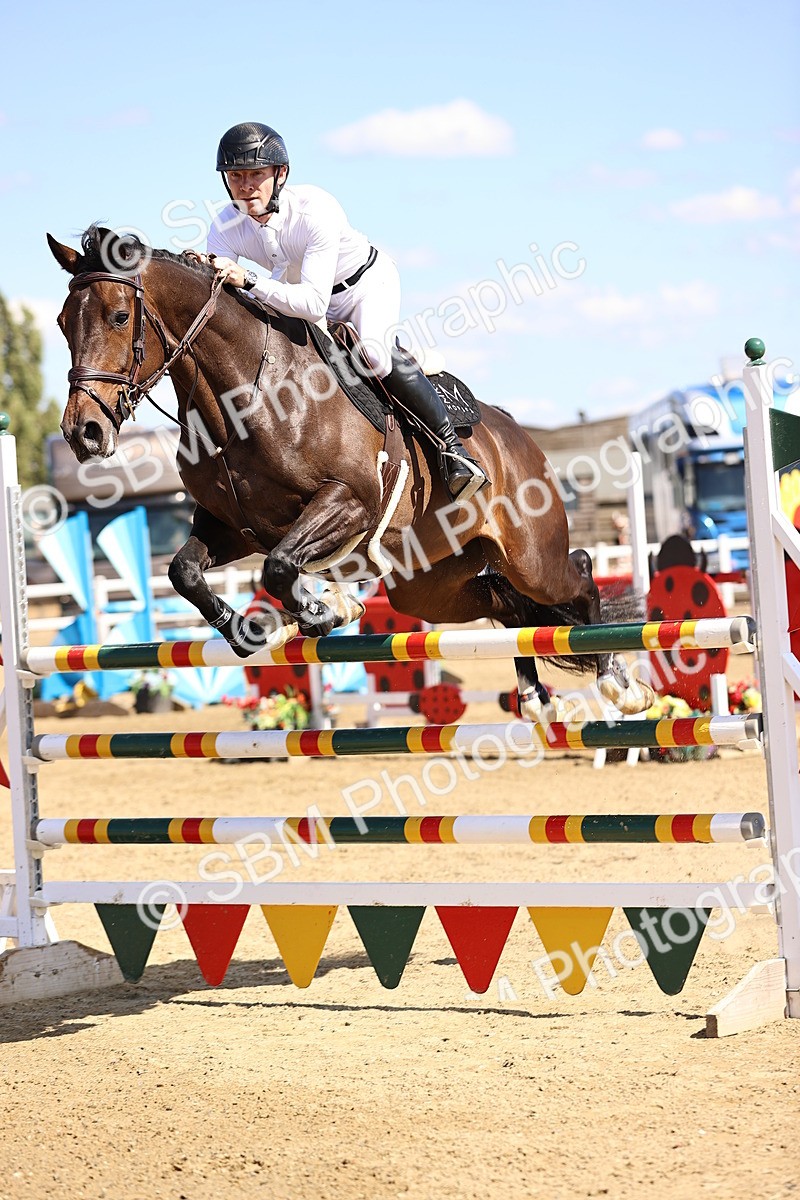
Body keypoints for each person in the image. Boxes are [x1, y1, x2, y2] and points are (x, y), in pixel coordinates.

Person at [205, 122, 487, 500]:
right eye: (236, 176)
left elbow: (313, 304)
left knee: (372, 353)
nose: (246, 185)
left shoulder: (314, 209)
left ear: (280, 174)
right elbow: (222, 291)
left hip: (364, 286)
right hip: (295, 290)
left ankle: (452, 450)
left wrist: (251, 281)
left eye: (256, 174)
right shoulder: (225, 224)